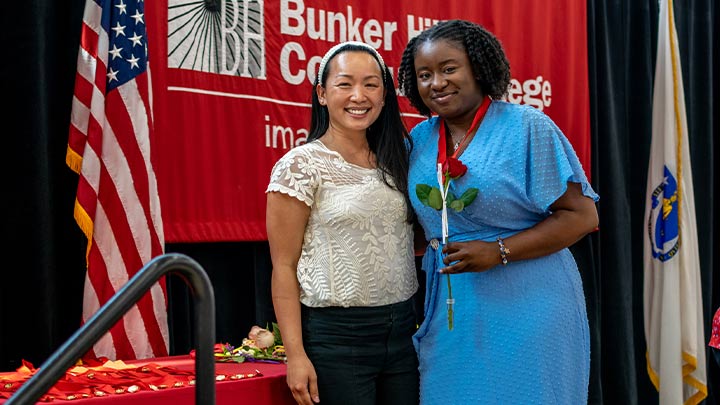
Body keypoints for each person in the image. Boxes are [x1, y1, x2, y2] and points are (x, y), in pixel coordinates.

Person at [398, 20, 600, 404]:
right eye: (424, 75)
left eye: (449, 69)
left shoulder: (528, 127)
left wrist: (499, 251)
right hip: (453, 302)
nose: (436, 83)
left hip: (531, 301)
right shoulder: (420, 139)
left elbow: (582, 216)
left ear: (479, 68)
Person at [266, 41, 420, 405]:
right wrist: (296, 355)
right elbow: (283, 266)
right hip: (337, 339)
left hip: (402, 332)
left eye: (371, 84)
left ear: (384, 95)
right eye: (344, 83)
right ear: (322, 93)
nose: (358, 96)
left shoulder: (400, 158)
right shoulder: (300, 165)